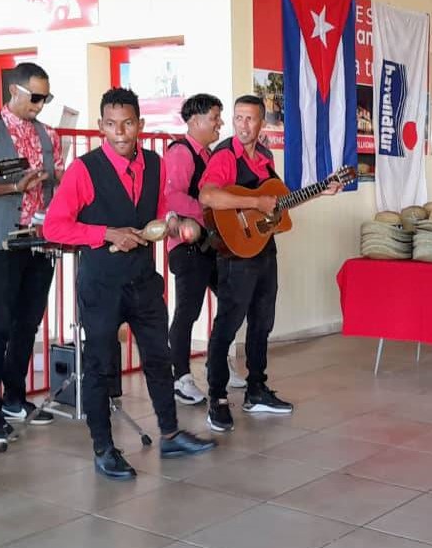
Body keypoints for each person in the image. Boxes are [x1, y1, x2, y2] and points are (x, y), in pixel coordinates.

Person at [44, 88, 214, 480]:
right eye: (111, 124)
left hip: (142, 279)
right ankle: (103, 448)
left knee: (160, 356)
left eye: (127, 123)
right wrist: (106, 233)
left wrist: (173, 224)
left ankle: (170, 434)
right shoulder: (84, 170)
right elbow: (55, 226)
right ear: (101, 126)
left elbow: (156, 216)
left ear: (140, 124)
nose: (120, 132)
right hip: (101, 285)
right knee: (100, 366)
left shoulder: (155, 164)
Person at [199, 95, 341, 433]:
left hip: (263, 251)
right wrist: (255, 201)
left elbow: (276, 202)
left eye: (250, 119)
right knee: (228, 325)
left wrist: (321, 191)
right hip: (235, 254)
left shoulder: (264, 156)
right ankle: (216, 397)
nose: (243, 125)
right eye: (238, 118)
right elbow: (208, 196)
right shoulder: (224, 155)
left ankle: (256, 389)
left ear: (262, 123)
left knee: (262, 322)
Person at [0, 62, 63, 443]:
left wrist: (56, 181)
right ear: (14, 91)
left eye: (46, 98)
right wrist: (14, 188)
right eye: (35, 97)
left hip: (39, 238)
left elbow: (55, 180)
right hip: (3, 239)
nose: (40, 105)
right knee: (1, 323)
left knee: (28, 322)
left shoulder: (49, 135)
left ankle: (14, 397)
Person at [163, 93, 245, 406]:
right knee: (188, 311)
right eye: (215, 118)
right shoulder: (181, 153)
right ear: (195, 120)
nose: (220, 124)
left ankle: (216, 363)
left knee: (233, 300)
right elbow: (171, 197)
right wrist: (207, 207)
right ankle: (180, 377)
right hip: (188, 247)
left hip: (212, 245)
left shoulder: (211, 155)